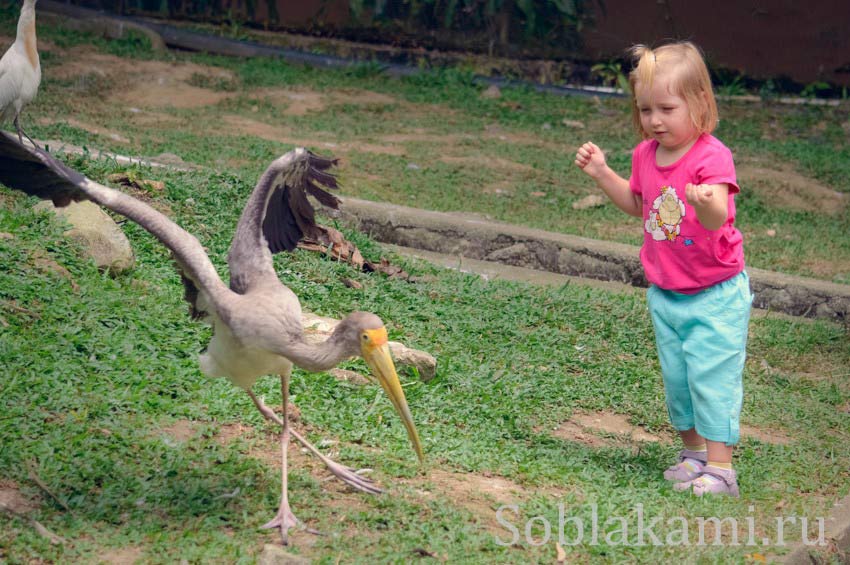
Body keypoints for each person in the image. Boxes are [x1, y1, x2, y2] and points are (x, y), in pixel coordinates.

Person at [574, 41, 753, 497]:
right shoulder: (645, 155)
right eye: (645, 109)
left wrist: (706, 202)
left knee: (711, 377)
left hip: (715, 293)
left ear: (699, 103)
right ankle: (693, 455)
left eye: (667, 109)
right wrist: (602, 174)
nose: (655, 120)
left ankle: (721, 469)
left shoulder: (712, 157)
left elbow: (718, 220)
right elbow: (638, 204)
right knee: (679, 379)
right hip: (666, 292)